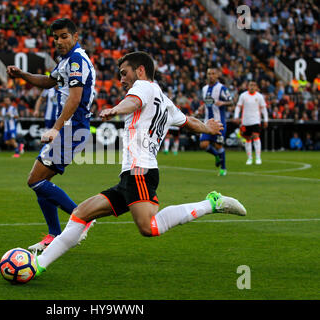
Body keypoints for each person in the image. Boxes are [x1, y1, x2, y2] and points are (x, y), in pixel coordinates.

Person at [33, 51, 247, 277]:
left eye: (124, 73)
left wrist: (116, 109)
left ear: (141, 70)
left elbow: (133, 101)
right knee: (81, 213)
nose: (121, 79)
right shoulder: (164, 101)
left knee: (149, 227)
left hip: (141, 173)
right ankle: (38, 265)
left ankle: (212, 203)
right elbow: (188, 122)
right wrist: (207, 127)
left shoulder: (143, 87)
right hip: (130, 176)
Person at [7, 18, 96, 251]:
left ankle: (83, 217)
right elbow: (48, 81)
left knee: (35, 180)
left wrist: (56, 128)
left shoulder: (77, 60)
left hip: (71, 128)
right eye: (55, 37)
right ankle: (54, 234)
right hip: (68, 128)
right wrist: (22, 74)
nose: (58, 41)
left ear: (75, 37)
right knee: (40, 181)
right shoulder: (66, 61)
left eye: (64, 36)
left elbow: (75, 99)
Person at [199, 68, 233, 176]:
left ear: (217, 75)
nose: (211, 76)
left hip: (219, 123)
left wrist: (222, 103)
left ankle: (223, 168)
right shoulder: (204, 89)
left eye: (213, 74)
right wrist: (201, 108)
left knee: (218, 146)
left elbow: (231, 101)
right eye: (209, 74)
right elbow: (207, 102)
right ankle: (217, 156)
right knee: (203, 145)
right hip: (207, 122)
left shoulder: (221, 88)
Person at [233, 81, 268, 165]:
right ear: (248, 86)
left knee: (256, 137)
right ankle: (249, 158)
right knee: (248, 139)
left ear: (256, 87)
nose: (252, 87)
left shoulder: (259, 96)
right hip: (245, 121)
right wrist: (236, 116)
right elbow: (238, 107)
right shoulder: (243, 95)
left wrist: (266, 119)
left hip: (256, 120)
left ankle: (258, 157)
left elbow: (263, 109)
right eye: (250, 85)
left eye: (254, 85)